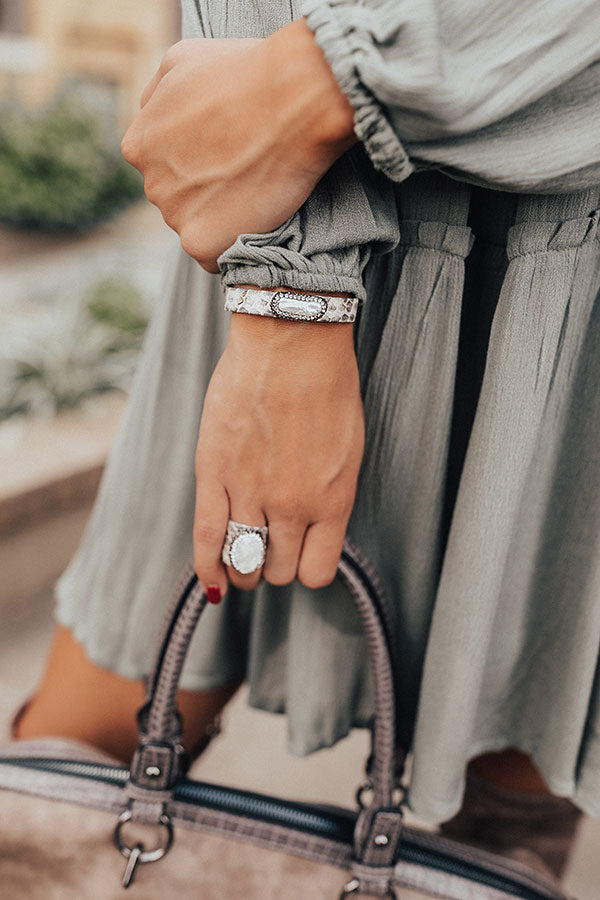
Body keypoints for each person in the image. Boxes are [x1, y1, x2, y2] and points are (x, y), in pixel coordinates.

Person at [15, 0, 600, 883]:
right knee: (76, 754)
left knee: (504, 788)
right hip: (284, 193)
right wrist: (289, 283)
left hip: (565, 266)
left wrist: (322, 82)